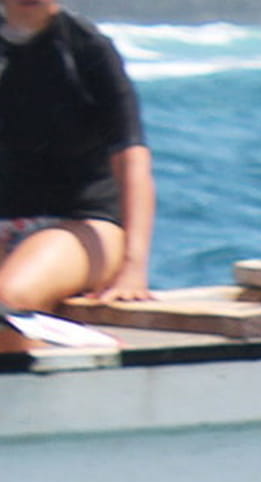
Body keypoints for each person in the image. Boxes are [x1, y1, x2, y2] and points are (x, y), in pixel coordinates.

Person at [0, 0, 152, 319]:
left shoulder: (86, 49)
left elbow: (132, 159)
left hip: (85, 224)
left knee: (7, 300)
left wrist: (133, 267)